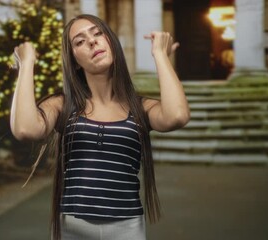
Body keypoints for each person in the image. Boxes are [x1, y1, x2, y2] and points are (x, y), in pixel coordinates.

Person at [10, 14, 190, 240]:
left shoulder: (140, 107)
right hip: (74, 226)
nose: (92, 41)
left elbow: (178, 116)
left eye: (97, 33)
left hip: (128, 226)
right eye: (80, 41)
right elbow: (25, 129)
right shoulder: (63, 104)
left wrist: (160, 55)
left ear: (111, 42)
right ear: (74, 60)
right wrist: (26, 64)